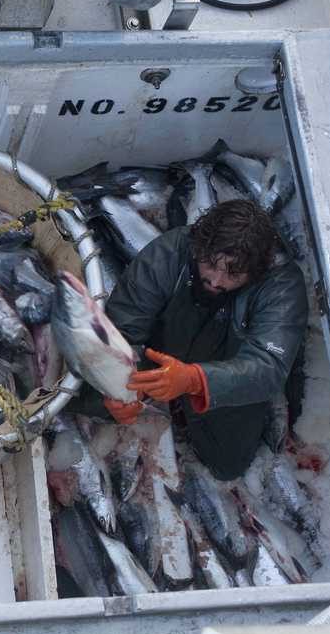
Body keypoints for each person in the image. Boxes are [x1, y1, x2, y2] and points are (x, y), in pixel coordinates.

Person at [99, 200, 308, 480]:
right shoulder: (167, 253)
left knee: (228, 465)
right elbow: (121, 329)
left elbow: (268, 366)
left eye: (234, 273)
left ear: (257, 270)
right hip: (160, 352)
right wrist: (122, 384)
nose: (216, 280)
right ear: (198, 245)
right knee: (89, 394)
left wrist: (196, 380)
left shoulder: (282, 284)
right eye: (209, 263)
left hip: (228, 367)